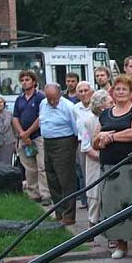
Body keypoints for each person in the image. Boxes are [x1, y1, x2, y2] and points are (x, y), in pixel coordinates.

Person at [93, 74, 132, 259]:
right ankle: (120, 244)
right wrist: (100, 139)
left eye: (124, 89)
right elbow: (95, 141)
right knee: (113, 205)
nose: (120, 92)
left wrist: (110, 136)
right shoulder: (104, 113)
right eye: (117, 89)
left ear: (130, 92)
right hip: (109, 166)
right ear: (113, 92)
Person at [39, 83, 79, 225]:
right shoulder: (43, 104)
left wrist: (73, 144)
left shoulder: (68, 107)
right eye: (49, 98)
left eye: (54, 99)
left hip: (64, 142)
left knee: (65, 179)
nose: (51, 102)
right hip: (48, 142)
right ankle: (59, 211)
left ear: (60, 95)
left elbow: (76, 129)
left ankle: (69, 214)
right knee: (52, 177)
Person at [12, 70, 50, 204]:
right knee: (29, 167)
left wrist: (28, 132)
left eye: (27, 80)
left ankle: (45, 194)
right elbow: (15, 118)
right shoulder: (19, 99)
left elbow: (41, 117)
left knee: (42, 166)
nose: (24, 82)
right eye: (22, 80)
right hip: (23, 138)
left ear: (34, 82)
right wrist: (22, 134)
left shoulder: (40, 97)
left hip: (38, 136)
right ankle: (34, 193)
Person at [82, 90, 112, 228]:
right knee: (94, 195)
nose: (113, 104)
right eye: (110, 102)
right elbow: (86, 146)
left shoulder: (113, 117)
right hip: (95, 163)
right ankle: (92, 226)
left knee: (109, 195)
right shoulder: (89, 120)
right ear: (101, 106)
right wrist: (101, 157)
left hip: (111, 163)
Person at [72, 81, 93, 209]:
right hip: (81, 143)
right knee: (82, 172)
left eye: (86, 90)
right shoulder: (75, 108)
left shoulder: (95, 105)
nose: (84, 93)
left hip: (94, 142)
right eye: (80, 91)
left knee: (92, 173)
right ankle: (86, 201)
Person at [0, 96, 17, 165]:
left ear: (4, 103)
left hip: (8, 143)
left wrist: (16, 142)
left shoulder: (9, 114)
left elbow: (14, 128)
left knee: (7, 164)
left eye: (1, 102)